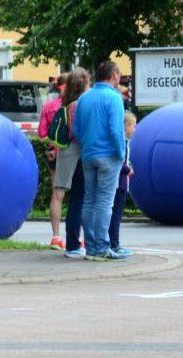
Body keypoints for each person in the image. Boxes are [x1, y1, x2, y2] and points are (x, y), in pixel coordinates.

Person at [73, 60, 127, 261]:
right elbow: (116, 129)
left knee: (89, 201)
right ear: (113, 75)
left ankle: (91, 246)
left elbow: (76, 129)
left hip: (88, 155)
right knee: (105, 202)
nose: (120, 77)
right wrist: (121, 153)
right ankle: (103, 247)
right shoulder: (114, 98)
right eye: (119, 73)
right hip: (109, 156)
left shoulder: (84, 98)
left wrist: (87, 145)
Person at [53, 68, 91, 259]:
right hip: (78, 154)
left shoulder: (68, 102)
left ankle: (74, 242)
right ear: (83, 83)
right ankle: (74, 244)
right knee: (79, 198)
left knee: (76, 199)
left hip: (69, 154)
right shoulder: (79, 104)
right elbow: (77, 132)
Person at [37, 72, 68, 250]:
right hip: (71, 153)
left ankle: (56, 237)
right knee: (79, 196)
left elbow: (42, 132)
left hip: (53, 152)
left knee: (57, 195)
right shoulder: (75, 106)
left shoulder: (49, 106)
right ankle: (79, 237)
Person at [108, 111, 137, 257]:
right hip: (120, 184)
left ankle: (113, 242)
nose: (135, 129)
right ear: (126, 126)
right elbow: (119, 162)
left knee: (115, 214)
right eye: (133, 125)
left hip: (121, 183)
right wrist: (128, 169)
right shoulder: (123, 144)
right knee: (116, 215)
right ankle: (114, 243)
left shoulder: (125, 143)